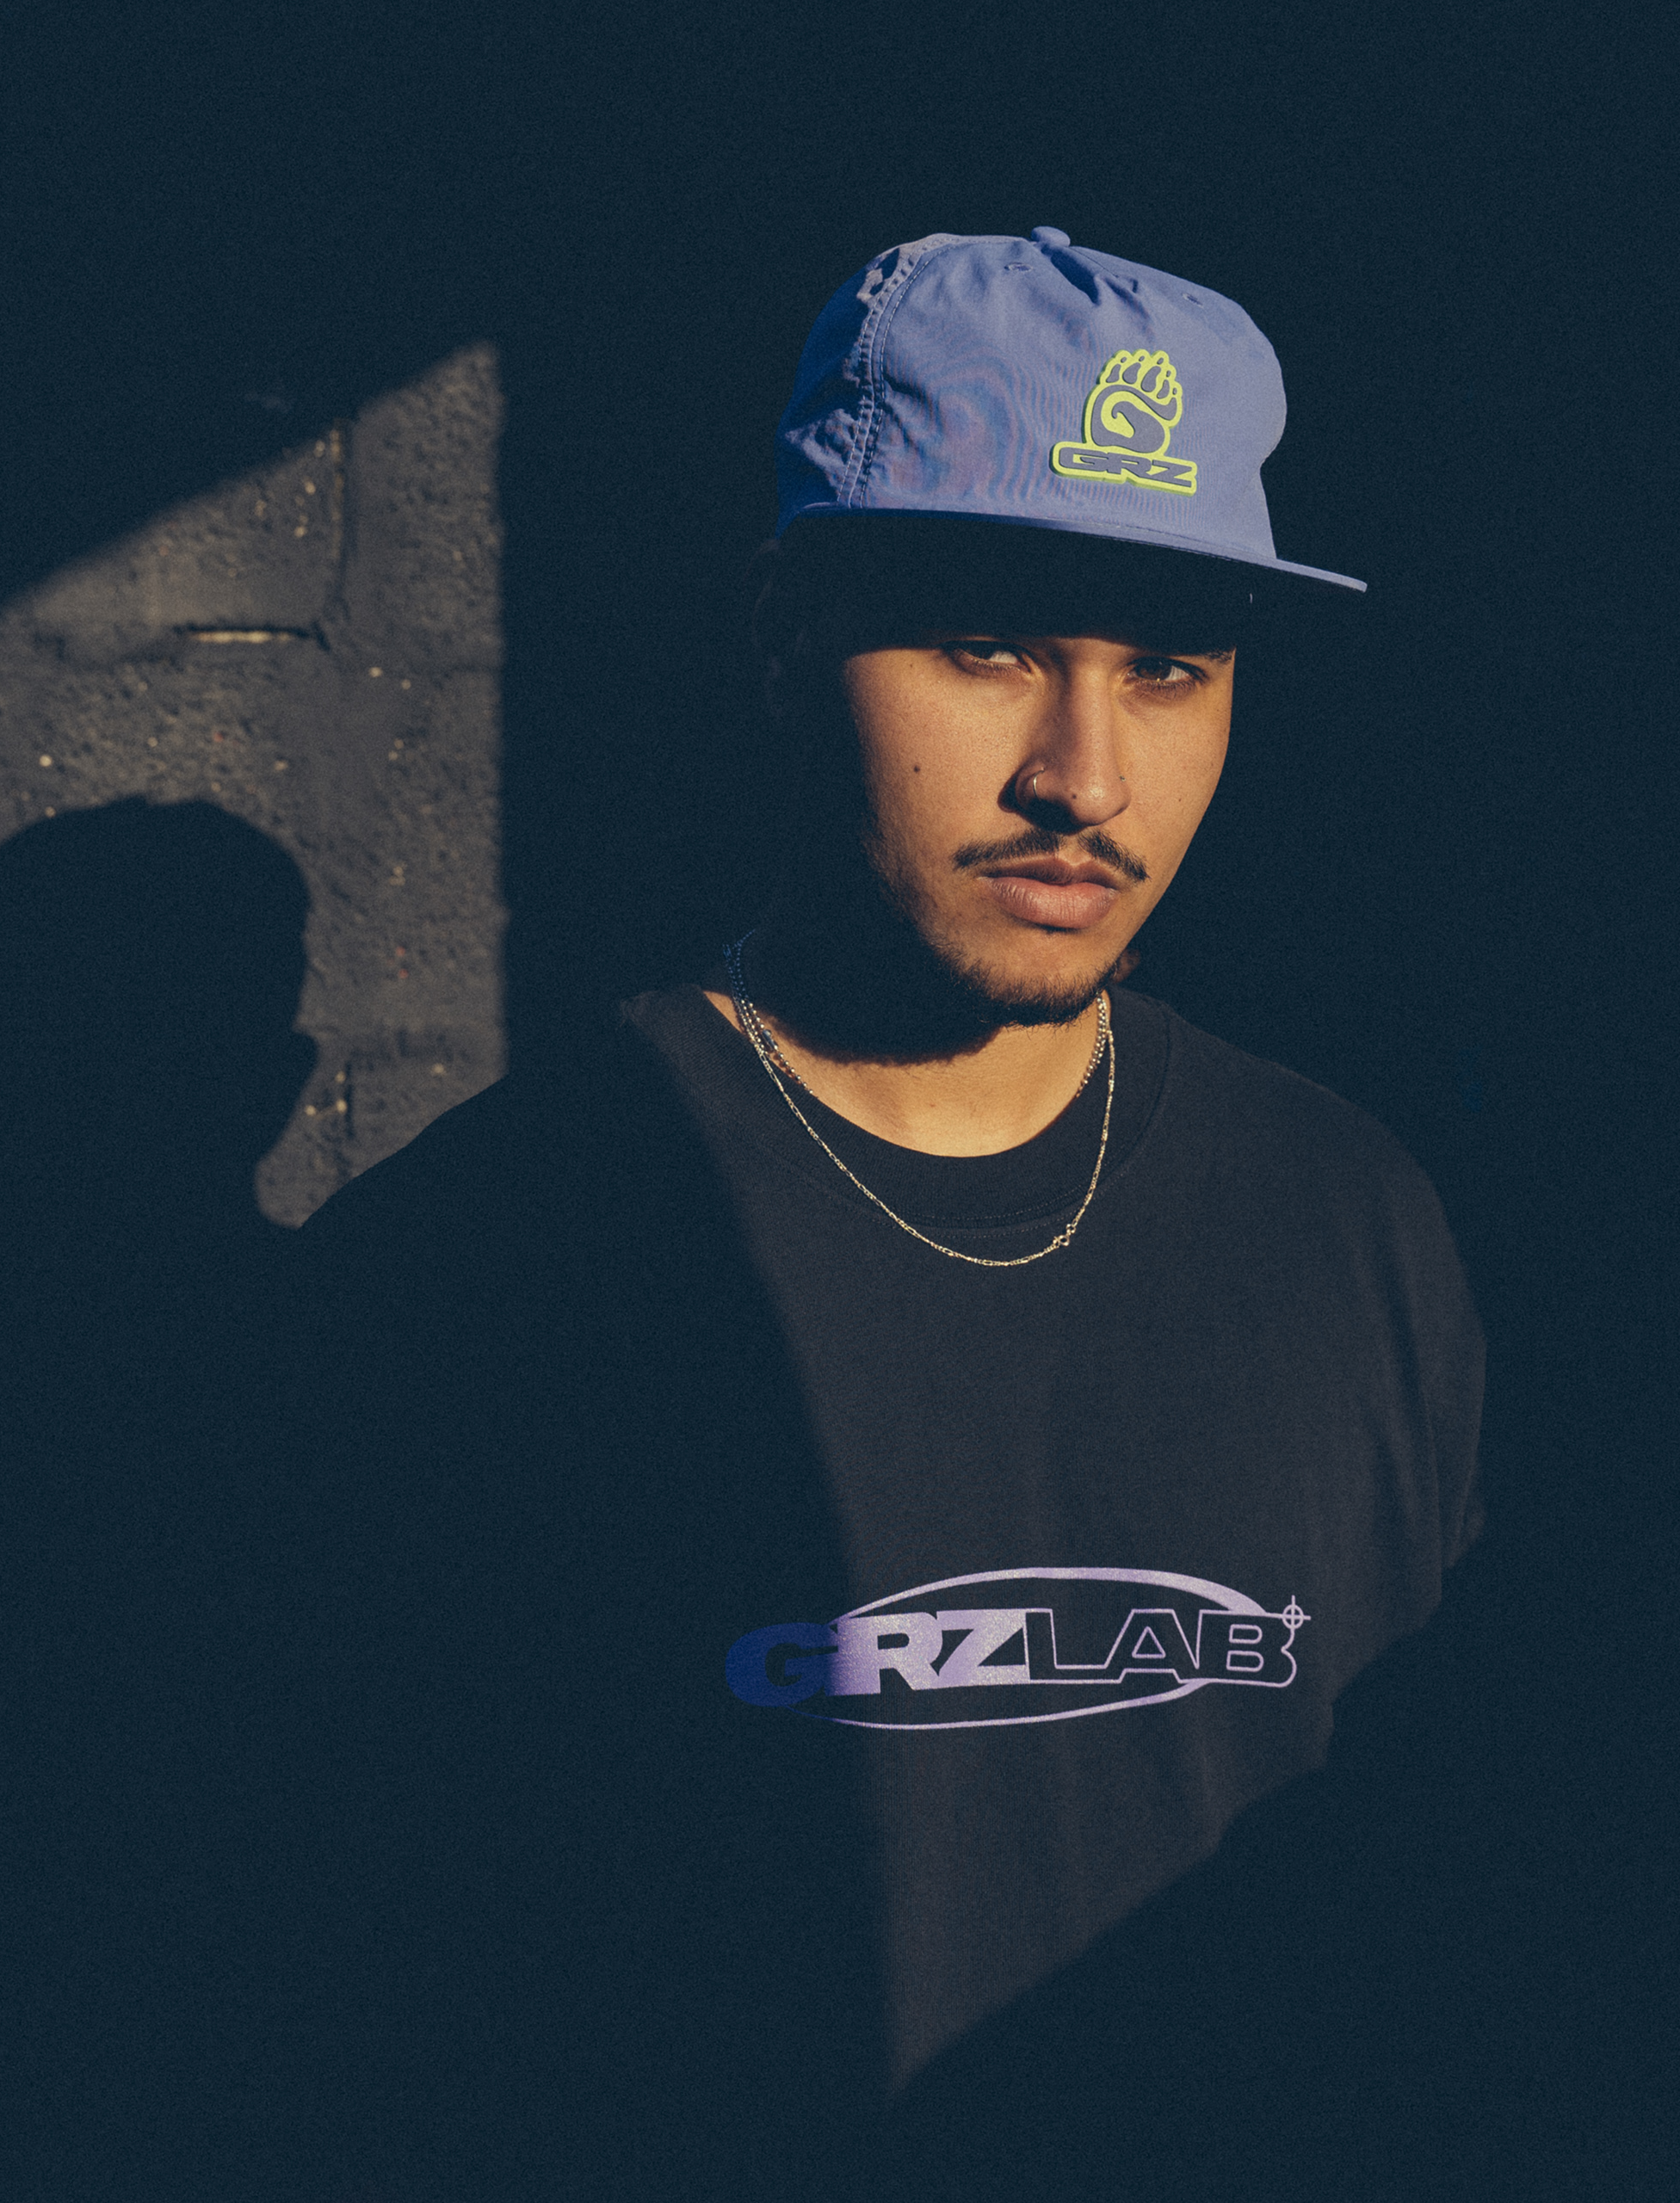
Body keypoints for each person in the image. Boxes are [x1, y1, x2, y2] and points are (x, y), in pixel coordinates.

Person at [284, 227, 1485, 2194]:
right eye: (988, 642)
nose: (1084, 775)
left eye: (1169, 666)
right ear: (782, 635)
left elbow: (1431, 1923)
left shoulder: (1347, 1218)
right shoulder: (490, 1269)